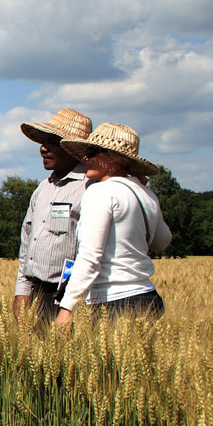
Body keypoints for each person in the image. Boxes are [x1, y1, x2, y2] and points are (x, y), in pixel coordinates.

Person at [55, 123, 173, 324]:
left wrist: (66, 308)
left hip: (112, 304)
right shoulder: (147, 194)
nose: (85, 158)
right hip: (148, 299)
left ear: (112, 158)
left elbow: (90, 256)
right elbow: (162, 242)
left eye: (91, 152)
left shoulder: (100, 192)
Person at [12, 107, 93, 327]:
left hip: (70, 298)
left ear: (74, 149)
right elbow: (27, 244)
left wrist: (69, 304)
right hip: (37, 295)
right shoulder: (42, 189)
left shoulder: (90, 189)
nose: (43, 149)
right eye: (42, 142)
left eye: (52, 142)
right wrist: (22, 290)